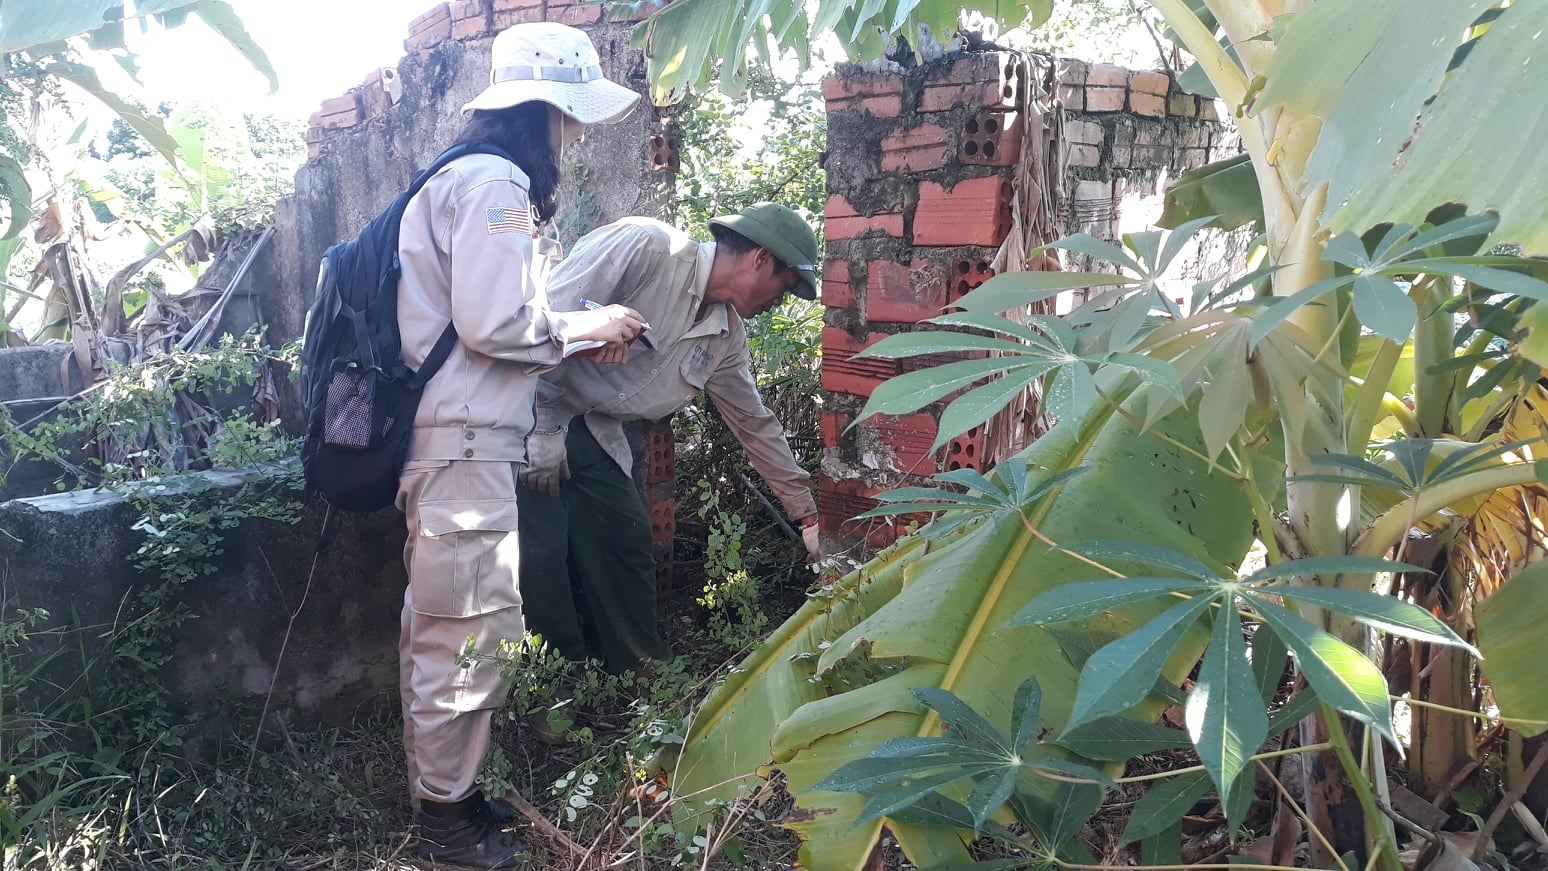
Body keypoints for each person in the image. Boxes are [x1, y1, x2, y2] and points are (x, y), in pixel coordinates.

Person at [393, 21, 645, 869]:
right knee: (462, 634)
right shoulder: (496, 182)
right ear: (546, 110)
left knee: (447, 627)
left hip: (459, 438)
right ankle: (446, 823)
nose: (575, 137)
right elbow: (497, 321)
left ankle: (451, 798)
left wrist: (566, 336)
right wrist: (590, 322)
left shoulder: (460, 177)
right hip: (464, 441)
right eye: (571, 118)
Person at [516, 202, 823, 675]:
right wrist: (543, 423)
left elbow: (753, 422)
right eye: (784, 288)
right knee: (543, 551)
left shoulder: (725, 337)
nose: (779, 303)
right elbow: (538, 324)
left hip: (594, 427)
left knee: (627, 540)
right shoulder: (647, 247)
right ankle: (554, 684)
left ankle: (639, 667)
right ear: (761, 259)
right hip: (529, 410)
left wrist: (806, 513)